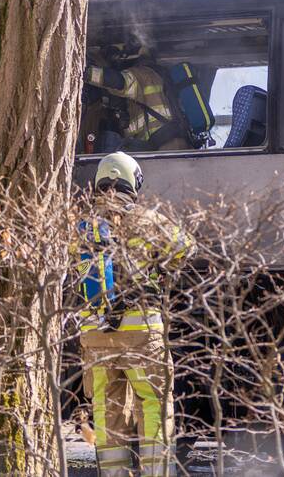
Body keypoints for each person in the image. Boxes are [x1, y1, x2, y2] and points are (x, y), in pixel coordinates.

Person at [77, 152, 192, 477]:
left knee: (108, 413)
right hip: (142, 337)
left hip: (96, 338)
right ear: (133, 182)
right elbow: (187, 248)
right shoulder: (148, 220)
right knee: (154, 405)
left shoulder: (82, 227)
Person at [84, 43, 189, 152]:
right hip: (174, 147)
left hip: (163, 147)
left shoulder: (143, 74)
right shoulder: (161, 77)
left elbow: (119, 81)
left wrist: (87, 72)